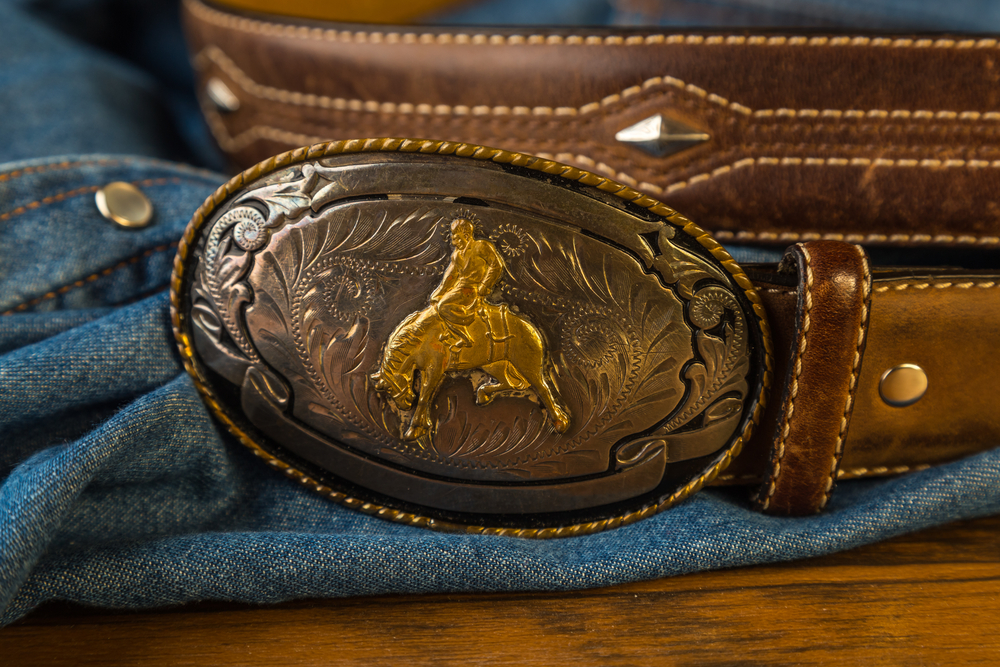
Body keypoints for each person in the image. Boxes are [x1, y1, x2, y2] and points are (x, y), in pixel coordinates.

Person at [430, 218, 505, 348]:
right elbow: (450, 277)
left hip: (473, 289)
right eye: (453, 238)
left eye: (457, 238)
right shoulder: (457, 255)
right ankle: (456, 332)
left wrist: (485, 285)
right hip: (460, 288)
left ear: (466, 235)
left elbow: (496, 265)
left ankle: (466, 330)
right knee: (438, 303)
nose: (454, 242)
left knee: (443, 306)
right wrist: (439, 292)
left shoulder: (481, 246)